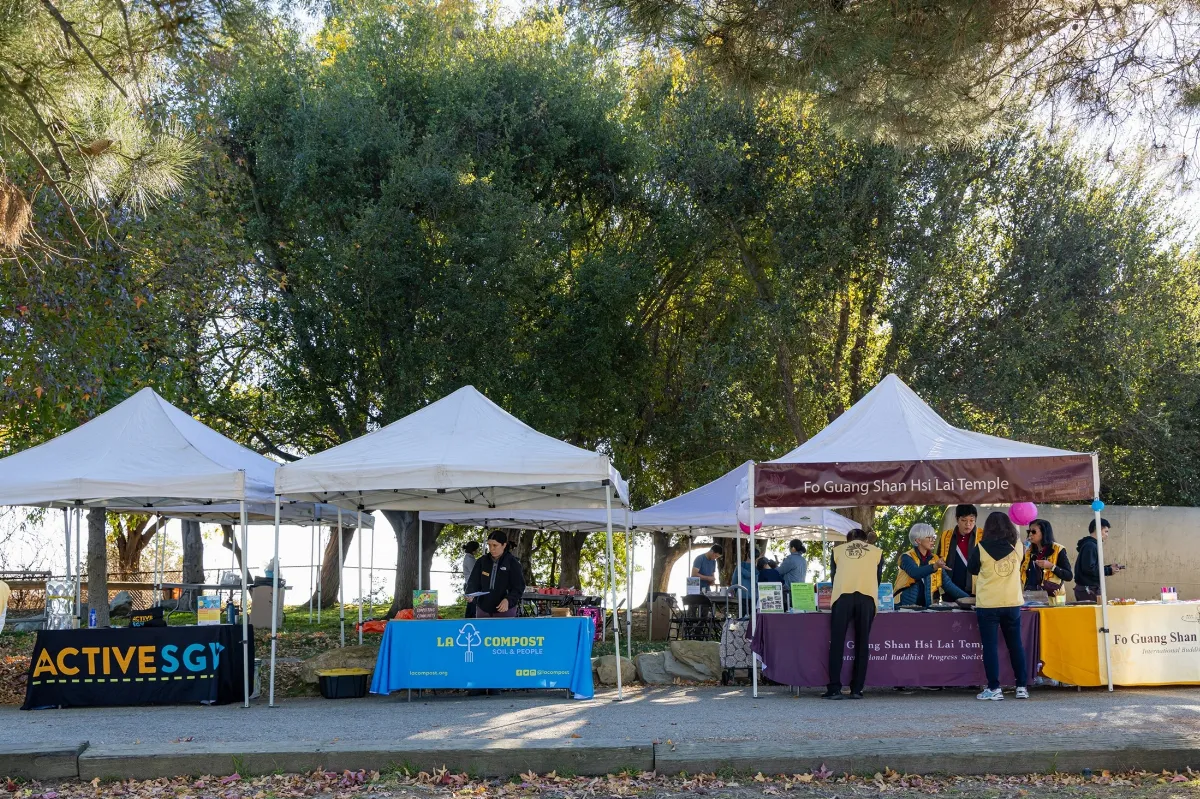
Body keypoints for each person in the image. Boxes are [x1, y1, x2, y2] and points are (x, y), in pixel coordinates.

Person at [968, 511, 1029, 701]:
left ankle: (994, 688)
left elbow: (972, 569)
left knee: (990, 647)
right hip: (1012, 603)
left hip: (988, 604)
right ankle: (1021, 687)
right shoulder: (1017, 547)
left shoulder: (980, 547)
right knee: (1015, 645)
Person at [824, 528, 883, 700]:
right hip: (867, 597)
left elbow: (834, 577)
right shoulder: (877, 552)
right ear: (865, 541)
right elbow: (877, 578)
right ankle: (857, 688)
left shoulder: (837, 551)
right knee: (862, 642)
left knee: (837, 642)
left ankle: (834, 688)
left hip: (843, 596)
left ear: (847, 540)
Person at [464, 531, 526, 618]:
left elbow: (519, 587)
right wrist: (470, 593)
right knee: (482, 632)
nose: (491, 549)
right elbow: (473, 582)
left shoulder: (513, 562)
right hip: (483, 610)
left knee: (503, 632)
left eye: (495, 545)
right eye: (489, 545)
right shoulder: (481, 561)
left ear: (504, 545)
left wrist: (508, 600)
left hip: (505, 611)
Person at [936, 504, 982, 600]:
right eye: (964, 520)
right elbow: (937, 561)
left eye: (971, 520)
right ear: (957, 519)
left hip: (976, 590)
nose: (968, 524)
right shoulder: (946, 535)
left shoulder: (982, 535)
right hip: (950, 589)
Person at [894, 523, 945, 607]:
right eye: (929, 537)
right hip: (903, 607)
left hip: (926, 607)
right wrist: (934, 566)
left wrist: (966, 598)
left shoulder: (935, 559)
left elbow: (947, 583)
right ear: (918, 540)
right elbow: (915, 573)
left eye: (933, 537)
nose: (933, 540)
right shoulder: (906, 557)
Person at [1075, 518, 1125, 602]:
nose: (1107, 535)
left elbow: (1092, 567)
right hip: (1089, 589)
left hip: (1089, 589)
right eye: (1106, 531)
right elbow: (1089, 569)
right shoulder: (1090, 546)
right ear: (1098, 529)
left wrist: (1109, 567)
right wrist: (1108, 570)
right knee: (1094, 614)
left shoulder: (1090, 545)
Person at [1022, 519, 1072, 597]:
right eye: (1029, 532)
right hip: (1030, 595)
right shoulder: (1028, 551)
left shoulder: (1058, 549)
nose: (1030, 535)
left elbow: (1068, 576)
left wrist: (1052, 567)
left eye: (1034, 532)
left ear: (1044, 533)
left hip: (1052, 596)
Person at [461, 541, 481, 618]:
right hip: (471, 586)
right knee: (472, 607)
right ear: (474, 550)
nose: (478, 551)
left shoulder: (469, 558)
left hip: (471, 585)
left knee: (472, 607)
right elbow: (475, 573)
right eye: (477, 549)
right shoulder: (469, 559)